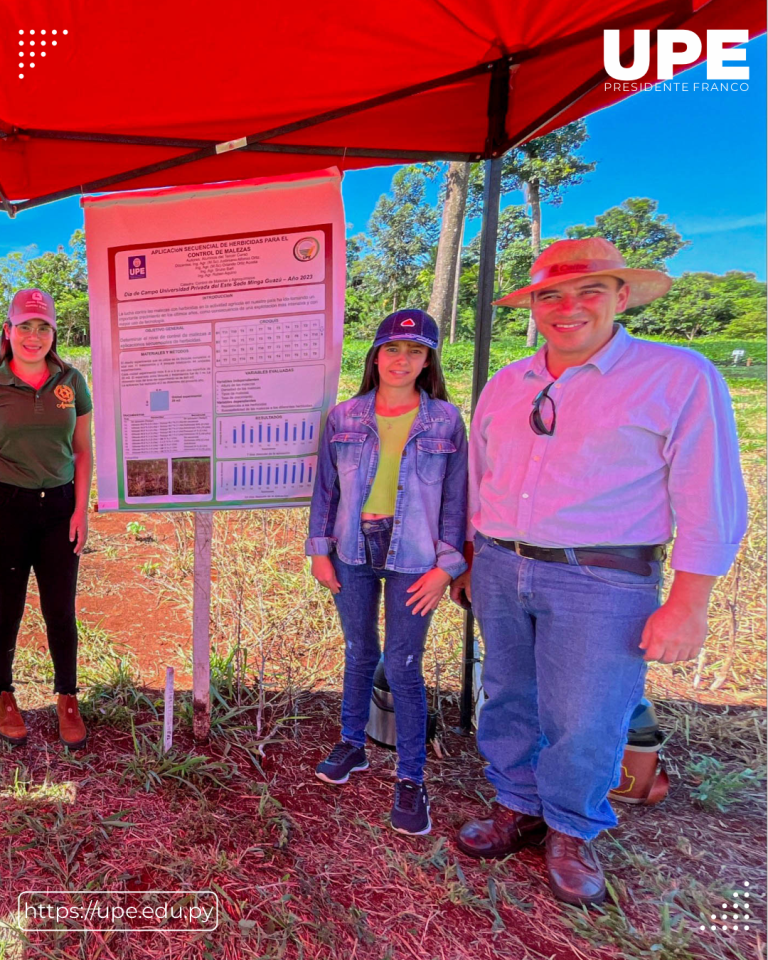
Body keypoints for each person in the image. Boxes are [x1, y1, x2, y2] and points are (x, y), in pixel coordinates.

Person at [451, 238, 747, 905]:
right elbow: (480, 478)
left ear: (621, 297)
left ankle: (571, 824)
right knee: (508, 692)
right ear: (533, 307)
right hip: (501, 564)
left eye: (589, 291)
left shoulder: (678, 377)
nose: (568, 308)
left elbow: (709, 494)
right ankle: (518, 803)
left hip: (603, 578)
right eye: (550, 295)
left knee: (587, 712)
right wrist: (471, 557)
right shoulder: (508, 382)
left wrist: (689, 600)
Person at [306, 309, 467, 836]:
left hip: (415, 555)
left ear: (429, 360)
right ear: (375, 356)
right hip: (352, 547)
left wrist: (446, 568)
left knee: (403, 664)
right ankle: (353, 744)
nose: (402, 360)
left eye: (415, 352)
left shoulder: (444, 420)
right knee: (358, 650)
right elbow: (326, 490)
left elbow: (454, 501)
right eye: (393, 350)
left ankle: (410, 776)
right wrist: (320, 550)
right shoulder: (344, 416)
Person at [0, 289, 94, 750]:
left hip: (58, 509)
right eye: (24, 326)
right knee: (5, 609)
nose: (32, 336)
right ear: (8, 331)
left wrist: (80, 509)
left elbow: (81, 450)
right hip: (7, 508)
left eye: (42, 327)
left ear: (53, 333)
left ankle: (67, 698)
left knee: (60, 610)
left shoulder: (71, 381)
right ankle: (3, 695)